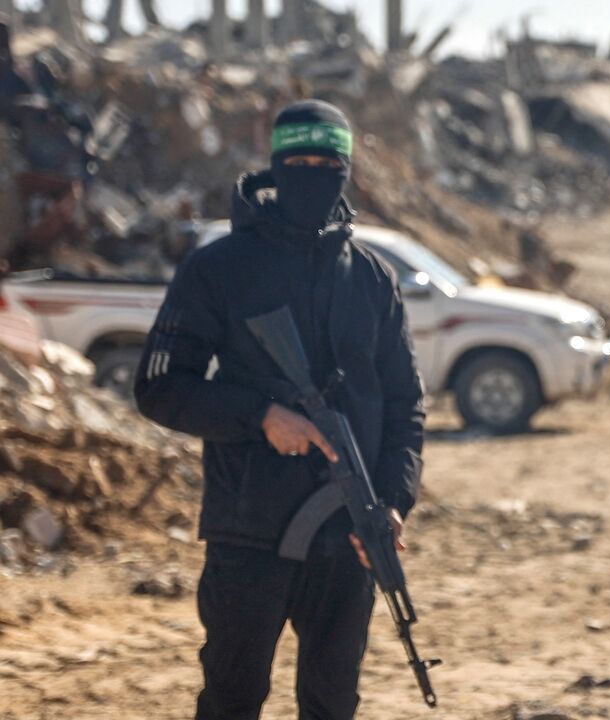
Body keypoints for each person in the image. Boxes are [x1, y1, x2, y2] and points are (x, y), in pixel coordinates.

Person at [134, 99, 426, 719]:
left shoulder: (372, 279)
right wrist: (260, 415)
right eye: (302, 161)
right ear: (275, 167)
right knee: (233, 700)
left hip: (349, 536)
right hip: (250, 531)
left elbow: (405, 407)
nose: (316, 174)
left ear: (348, 172)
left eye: (330, 164)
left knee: (332, 702)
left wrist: (395, 502)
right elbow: (160, 385)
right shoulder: (221, 268)